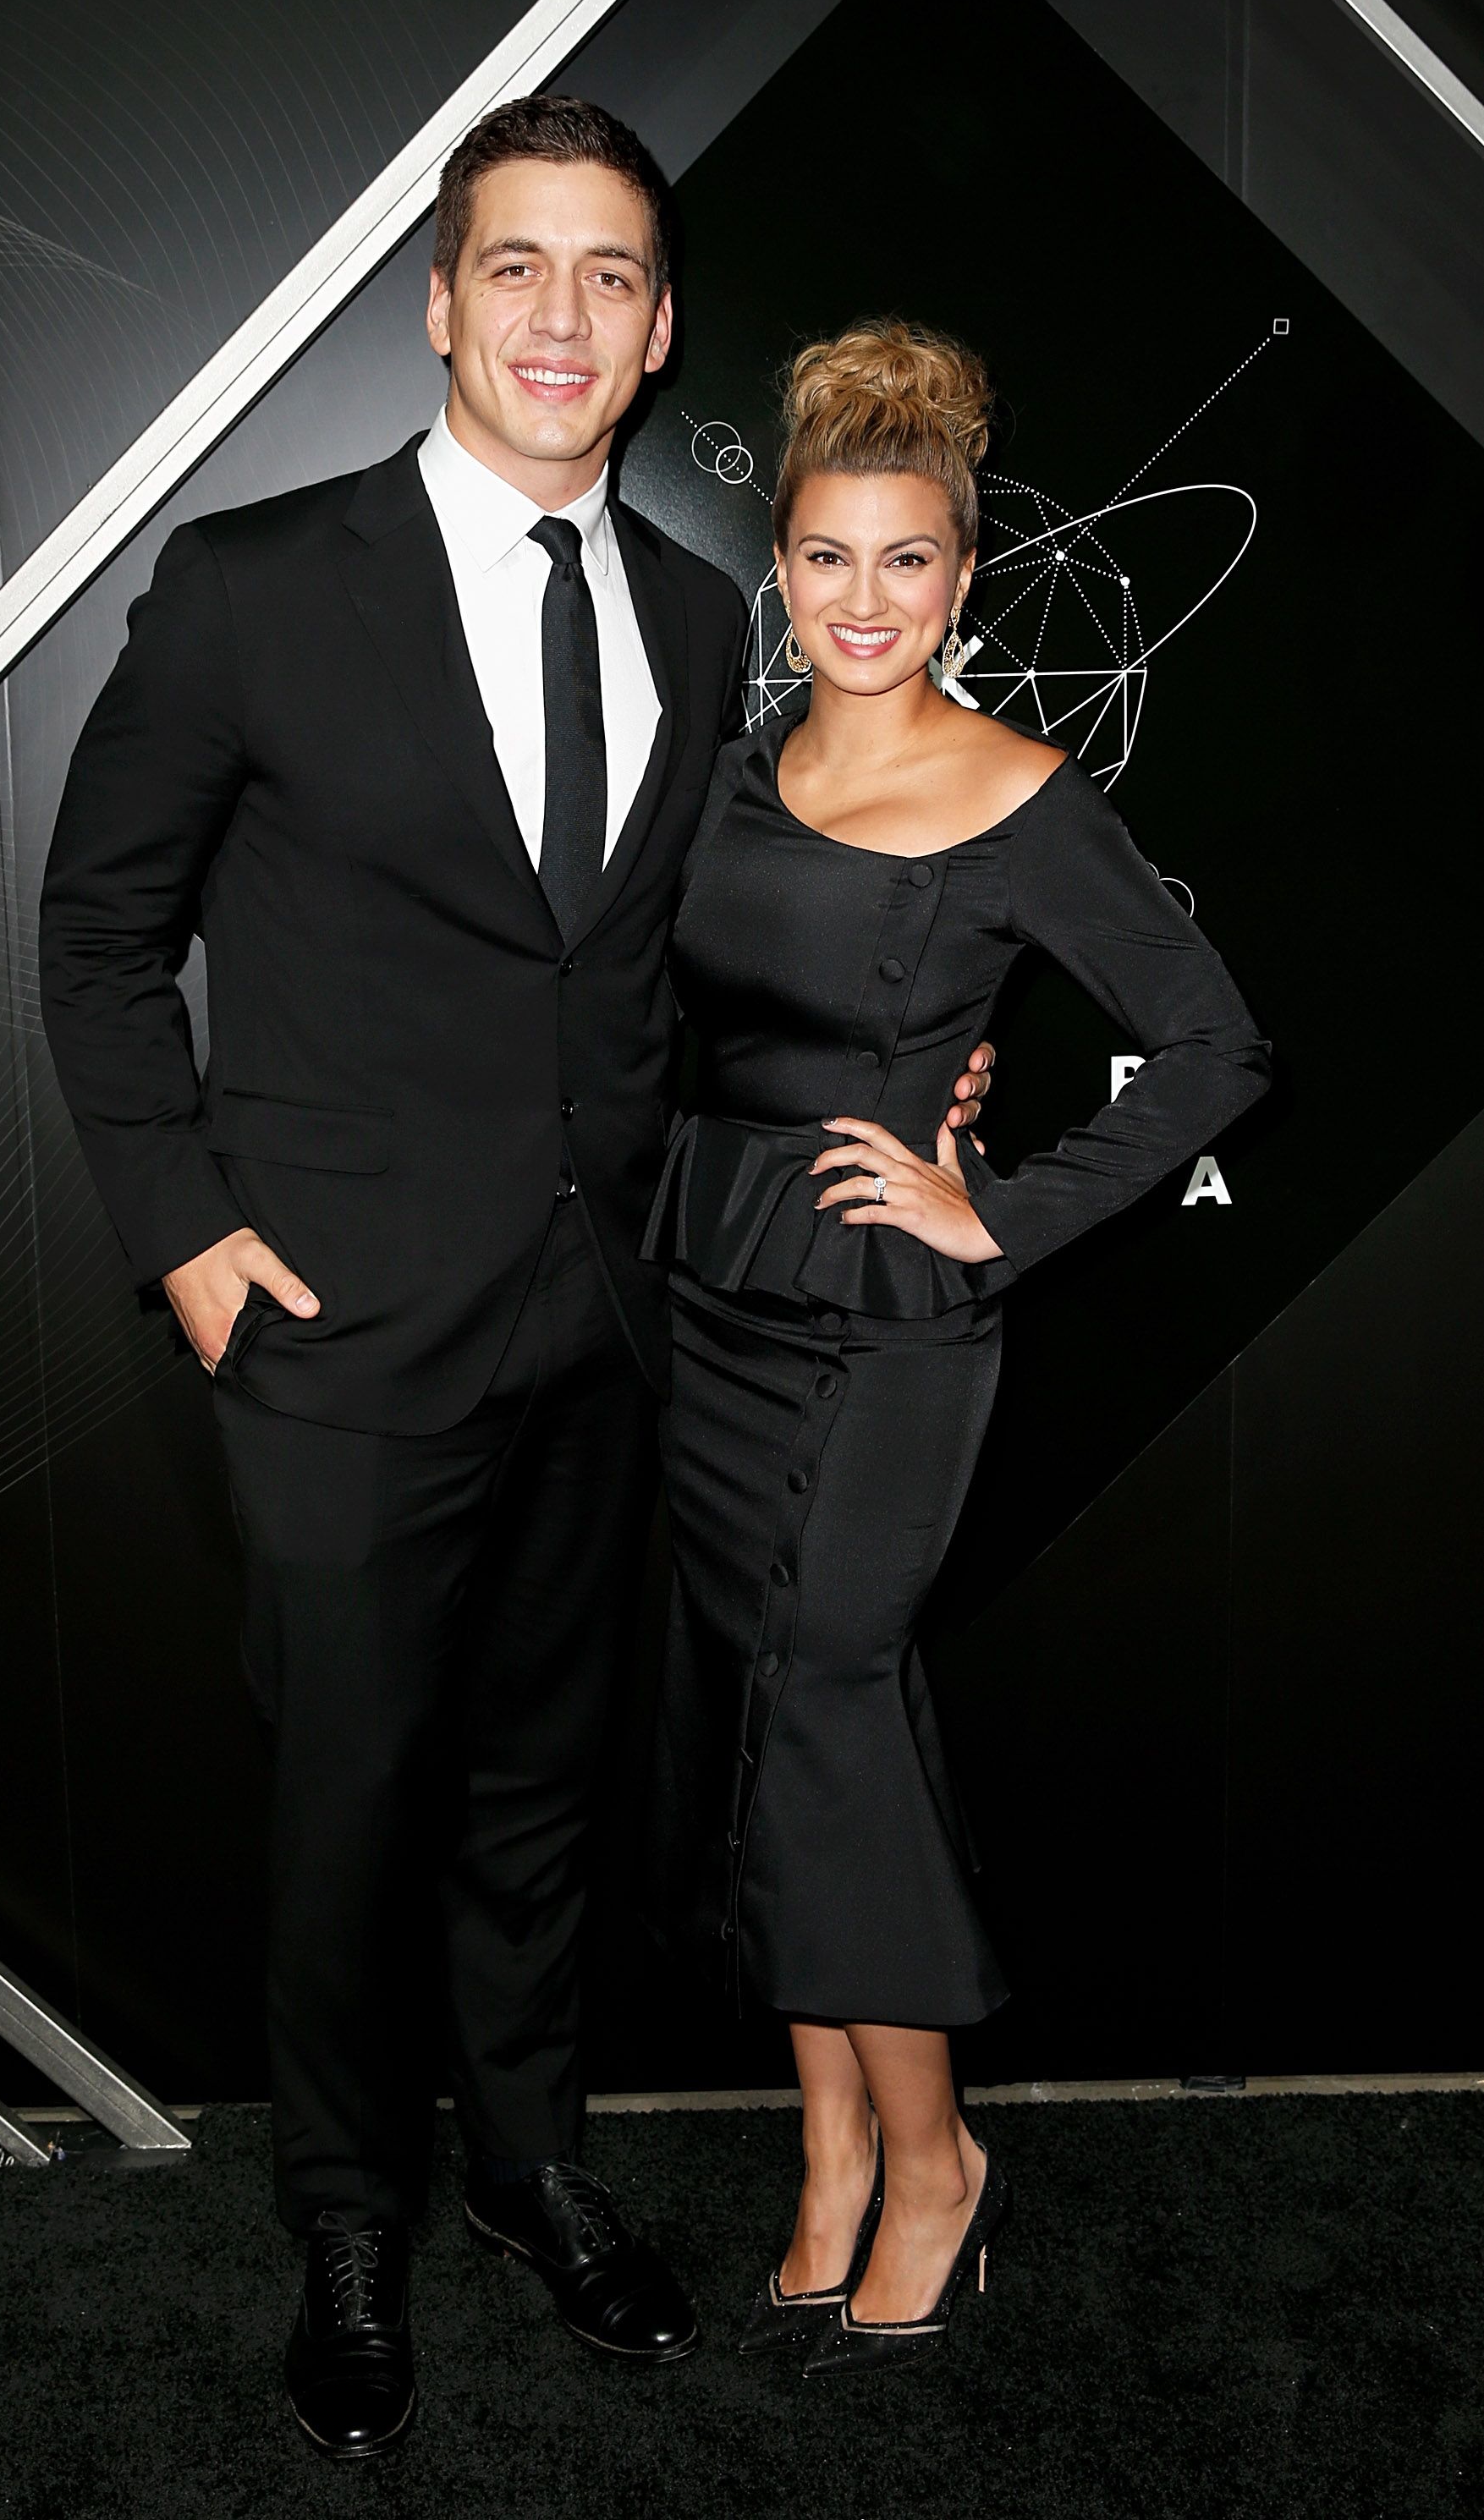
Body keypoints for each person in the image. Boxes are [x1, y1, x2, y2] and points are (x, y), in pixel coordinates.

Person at [38, 96, 998, 2457]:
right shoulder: (253, 584)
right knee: (354, 1796)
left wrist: (915, 1084)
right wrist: (183, 1238)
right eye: (517, 268)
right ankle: (348, 2215)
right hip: (334, 1336)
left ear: (659, 331)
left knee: (543, 1801)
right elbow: (94, 936)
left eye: (608, 277)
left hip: (609, 1323)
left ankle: (531, 2165)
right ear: (443, 300)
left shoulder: (694, 614)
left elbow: (697, 968)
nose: (561, 315)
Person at [642, 320, 1271, 2376]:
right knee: (770, 1712)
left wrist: (991, 1201)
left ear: (962, 572)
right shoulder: (744, 770)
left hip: (886, 1329)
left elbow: (1211, 1046)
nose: (859, 601)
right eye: (824, 558)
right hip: (710, 1291)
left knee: (822, 1704)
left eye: (902, 561)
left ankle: (934, 2160)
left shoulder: (1019, 794)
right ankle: (826, 2142)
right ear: (784, 565)